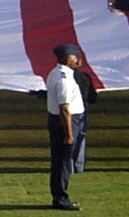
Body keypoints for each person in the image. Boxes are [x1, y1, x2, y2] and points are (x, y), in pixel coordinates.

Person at [46, 44, 85, 211]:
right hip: (65, 122)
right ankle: (61, 198)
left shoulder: (56, 73)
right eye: (76, 56)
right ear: (68, 59)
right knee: (63, 162)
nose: (79, 60)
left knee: (60, 161)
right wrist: (69, 133)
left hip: (59, 120)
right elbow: (65, 108)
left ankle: (59, 195)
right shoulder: (64, 79)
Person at [72, 56, 97, 173]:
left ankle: (70, 165)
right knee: (81, 137)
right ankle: (79, 165)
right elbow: (93, 98)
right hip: (82, 111)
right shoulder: (85, 77)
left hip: (68, 111)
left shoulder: (65, 78)